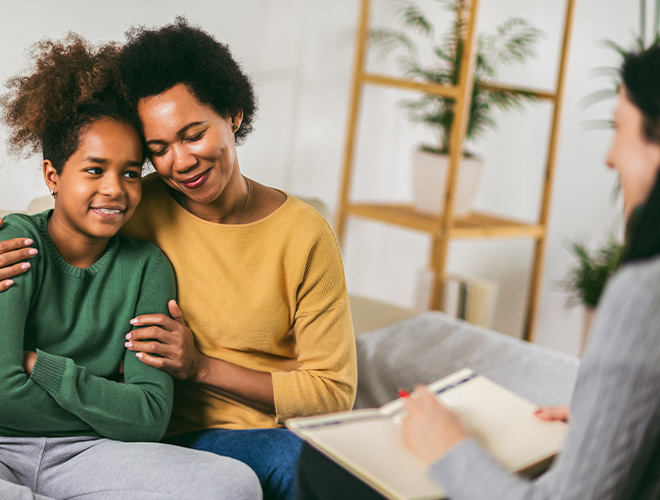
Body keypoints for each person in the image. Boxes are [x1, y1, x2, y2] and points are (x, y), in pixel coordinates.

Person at [0, 18, 357, 500]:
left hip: (221, 433)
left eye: (192, 134)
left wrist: (200, 367)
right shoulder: (130, 203)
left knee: (310, 466)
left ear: (232, 114)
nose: (180, 162)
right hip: (137, 434)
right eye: (158, 149)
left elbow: (332, 394)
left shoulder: (303, 234)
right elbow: (60, 213)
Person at [295, 46, 660, 500]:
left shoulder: (645, 294)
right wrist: (607, 425)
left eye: (619, 128)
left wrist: (452, 450)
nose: (609, 157)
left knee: (327, 467)